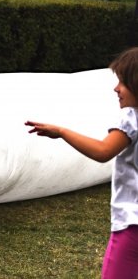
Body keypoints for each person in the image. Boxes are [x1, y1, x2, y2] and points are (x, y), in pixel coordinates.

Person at [25, 47, 138, 279]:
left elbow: (103, 151)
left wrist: (62, 132)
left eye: (123, 83)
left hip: (131, 224)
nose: (116, 89)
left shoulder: (132, 118)